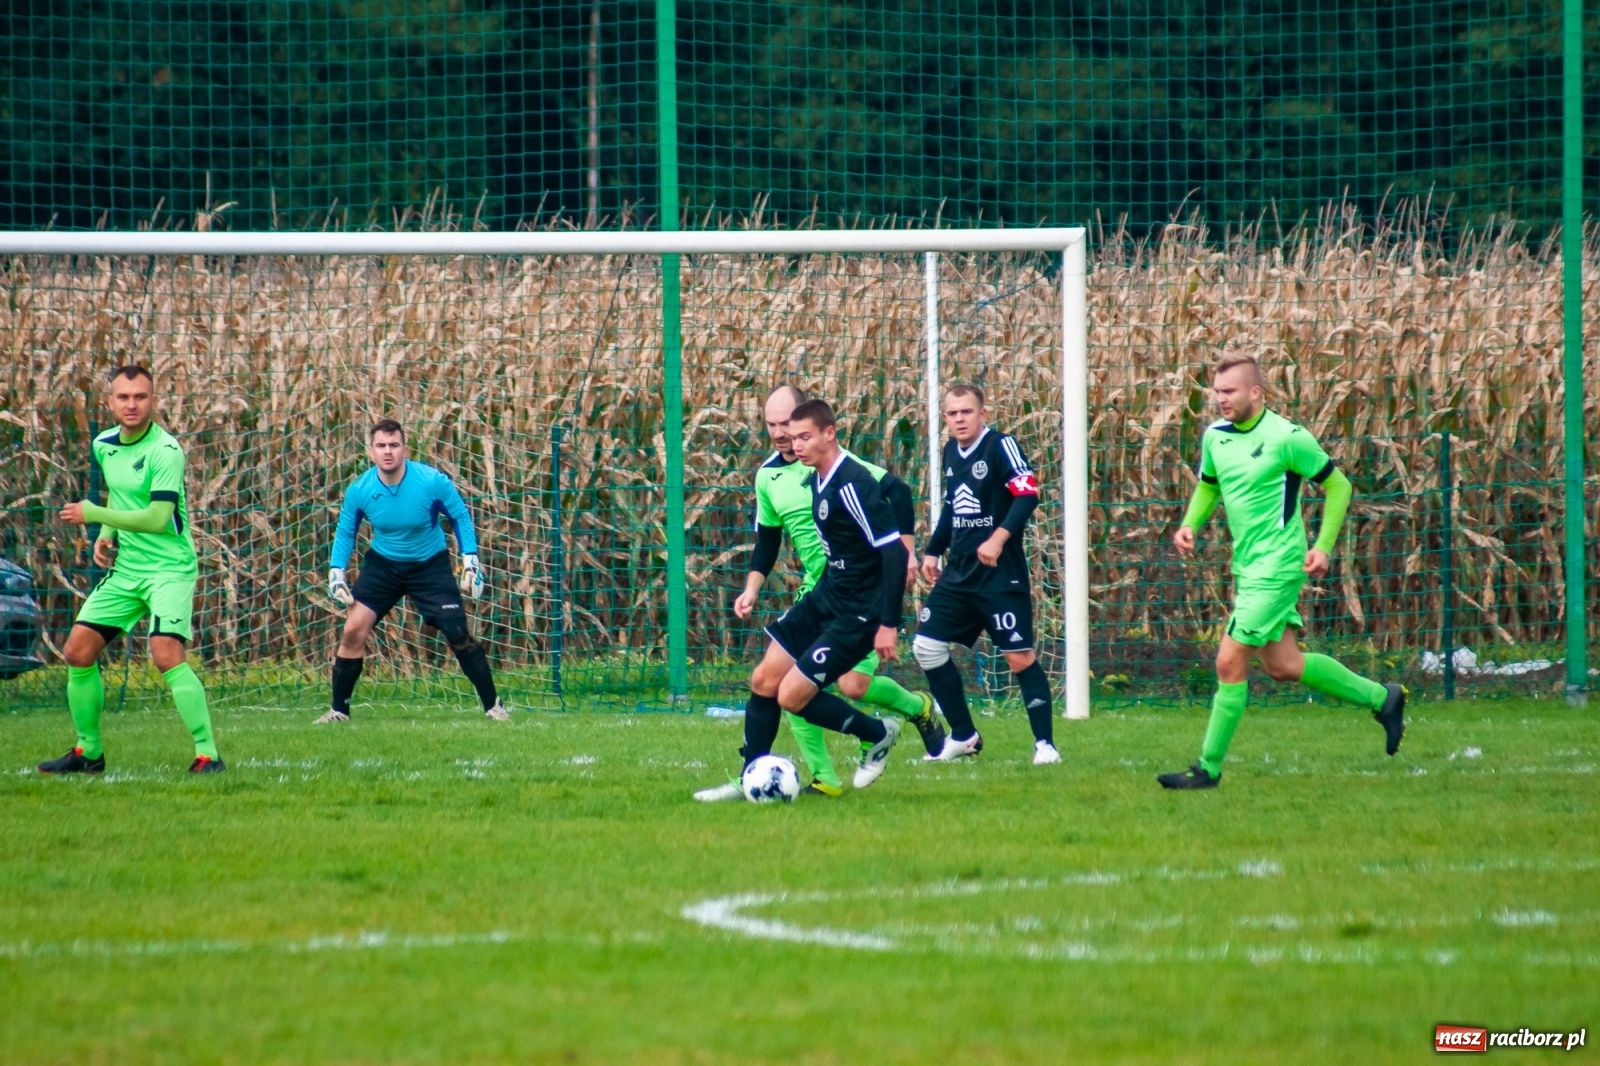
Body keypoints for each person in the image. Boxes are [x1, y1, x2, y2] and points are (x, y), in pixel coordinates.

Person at [1158, 355, 1405, 789]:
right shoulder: (1215, 437)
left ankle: (1207, 769)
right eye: (1217, 392)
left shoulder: (1287, 438)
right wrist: (1189, 524)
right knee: (1284, 666)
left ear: (1256, 392)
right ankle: (1382, 698)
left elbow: (1338, 485)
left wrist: (1323, 546)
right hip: (1248, 567)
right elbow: (1210, 486)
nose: (1221, 400)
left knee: (1229, 660)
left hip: (1279, 566)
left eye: (1229, 391)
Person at [725, 385, 944, 797]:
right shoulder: (813, 480)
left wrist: (888, 624)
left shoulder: (852, 482)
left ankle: (876, 733)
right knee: (764, 679)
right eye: (778, 427)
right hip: (825, 595)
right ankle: (751, 776)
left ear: (829, 432)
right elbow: (776, 541)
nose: (789, 437)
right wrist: (753, 588)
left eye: (800, 432)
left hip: (857, 611)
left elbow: (893, 553)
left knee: (799, 694)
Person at [39, 364, 224, 774]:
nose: (132, 404)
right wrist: (106, 532)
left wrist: (93, 513)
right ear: (110, 403)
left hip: (169, 570)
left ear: (153, 401)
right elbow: (122, 497)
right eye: (123, 397)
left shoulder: (166, 451)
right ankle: (88, 753)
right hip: (128, 570)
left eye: (140, 396)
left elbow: (159, 518)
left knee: (165, 655)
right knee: (77, 652)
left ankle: (208, 754)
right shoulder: (104, 444)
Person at [320, 419, 508, 723]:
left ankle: (494, 706)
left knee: (457, 632)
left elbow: (460, 516)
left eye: (394, 445)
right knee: (353, 629)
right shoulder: (361, 489)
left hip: (429, 565)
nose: (388, 451)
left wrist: (470, 559)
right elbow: (345, 533)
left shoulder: (432, 482)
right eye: (381, 445)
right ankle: (338, 712)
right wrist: (337, 572)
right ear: (371, 452)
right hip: (384, 566)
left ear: (405, 449)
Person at [915, 384, 1060, 765]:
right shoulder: (950, 452)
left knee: (1019, 658)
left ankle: (1045, 744)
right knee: (926, 647)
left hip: (999, 576)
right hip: (959, 575)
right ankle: (963, 736)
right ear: (945, 418)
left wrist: (998, 538)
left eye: (967, 412)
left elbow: (1027, 494)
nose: (959, 419)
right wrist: (933, 550)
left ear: (983, 414)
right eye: (952, 413)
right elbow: (952, 507)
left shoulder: (1001, 446)